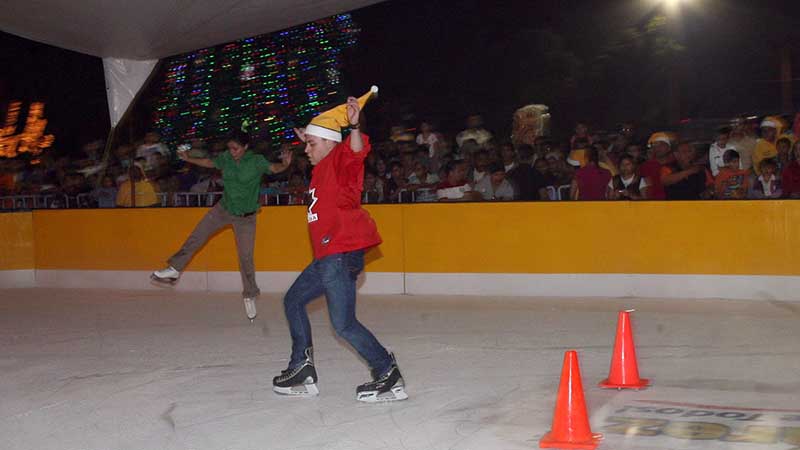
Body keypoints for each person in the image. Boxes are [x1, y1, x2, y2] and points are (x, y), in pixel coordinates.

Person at [272, 87, 407, 403]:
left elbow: (356, 152)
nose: (307, 150)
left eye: (311, 144)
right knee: (293, 301)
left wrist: (355, 127)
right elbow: (324, 142)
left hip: (340, 252)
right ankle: (301, 369)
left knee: (343, 325)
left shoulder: (339, 161)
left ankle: (387, 373)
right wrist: (310, 135)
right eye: (306, 144)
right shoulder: (322, 169)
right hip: (328, 257)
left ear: (331, 144)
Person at [150, 130, 292, 322]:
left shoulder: (256, 161)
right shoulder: (226, 158)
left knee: (246, 258)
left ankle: (249, 293)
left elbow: (274, 169)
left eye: (236, 148)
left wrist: (285, 164)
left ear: (246, 147)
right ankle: (175, 268)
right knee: (197, 236)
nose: (232, 152)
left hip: (246, 217)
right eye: (230, 148)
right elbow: (210, 162)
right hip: (223, 209)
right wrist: (188, 158)